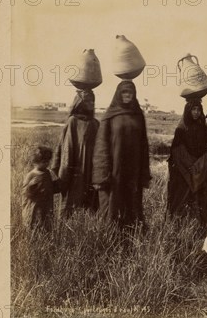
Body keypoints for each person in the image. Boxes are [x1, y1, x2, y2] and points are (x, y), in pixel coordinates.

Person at [92, 81, 151, 227]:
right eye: (124, 92)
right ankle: (110, 243)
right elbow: (101, 147)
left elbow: (144, 145)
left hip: (133, 171)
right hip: (114, 171)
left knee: (132, 208)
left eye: (130, 93)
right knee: (111, 211)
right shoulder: (110, 116)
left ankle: (130, 243)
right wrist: (101, 176)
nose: (127, 95)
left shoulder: (138, 116)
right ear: (118, 94)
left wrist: (144, 174)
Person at [52, 89, 100, 217]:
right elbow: (64, 147)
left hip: (91, 170)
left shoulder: (95, 123)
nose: (92, 104)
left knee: (89, 206)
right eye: (88, 101)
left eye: (93, 101)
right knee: (70, 204)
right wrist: (60, 169)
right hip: (74, 172)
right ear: (80, 103)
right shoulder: (72, 121)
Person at [167, 97, 207, 225]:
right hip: (183, 172)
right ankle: (179, 228)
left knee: (199, 200)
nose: (196, 112)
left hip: (200, 171)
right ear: (187, 111)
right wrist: (190, 165)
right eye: (193, 109)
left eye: (198, 109)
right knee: (181, 199)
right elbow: (177, 151)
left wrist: (199, 165)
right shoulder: (181, 129)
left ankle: (198, 228)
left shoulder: (205, 130)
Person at [22, 146, 61, 231]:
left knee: (47, 223)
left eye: (48, 161)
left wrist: (55, 180)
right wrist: (31, 185)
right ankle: (34, 239)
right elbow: (25, 193)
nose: (46, 164)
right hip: (35, 206)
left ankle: (46, 238)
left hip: (47, 205)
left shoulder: (48, 173)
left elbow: (56, 189)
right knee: (34, 223)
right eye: (43, 162)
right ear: (35, 162)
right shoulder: (31, 175)